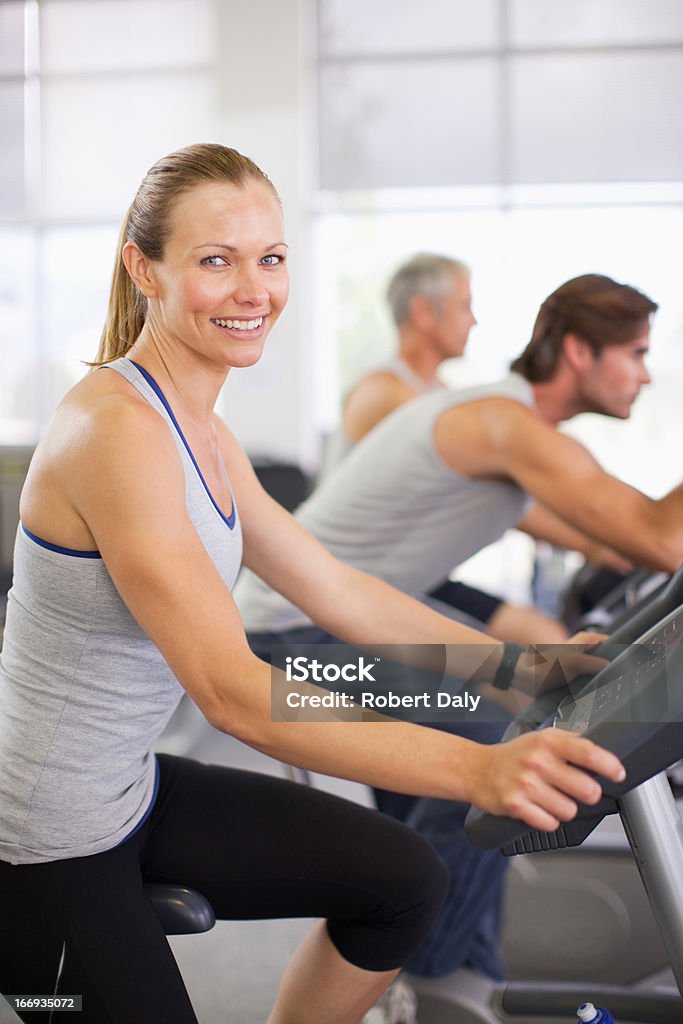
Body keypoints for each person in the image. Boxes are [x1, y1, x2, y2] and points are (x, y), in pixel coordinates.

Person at [0, 144, 625, 1024]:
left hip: (131, 790)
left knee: (405, 880)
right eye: (216, 260)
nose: (254, 289)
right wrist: (479, 770)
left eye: (271, 258)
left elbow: (335, 587)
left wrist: (522, 670)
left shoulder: (203, 432)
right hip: (44, 844)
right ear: (144, 268)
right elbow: (232, 694)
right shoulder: (114, 431)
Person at [235, 271, 681, 983]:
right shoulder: (503, 424)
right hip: (286, 649)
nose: (645, 375)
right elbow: (663, 538)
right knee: (507, 754)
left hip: (344, 630)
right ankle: (426, 969)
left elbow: (615, 538)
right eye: (633, 353)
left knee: (516, 718)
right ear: (576, 352)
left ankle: (466, 971)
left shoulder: (502, 430)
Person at [327, 252, 625, 645]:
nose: (474, 320)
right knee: (543, 640)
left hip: (413, 573)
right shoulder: (386, 393)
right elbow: (505, 499)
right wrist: (592, 544)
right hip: (359, 577)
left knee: (546, 638)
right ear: (423, 313)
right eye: (464, 306)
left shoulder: (440, 398)